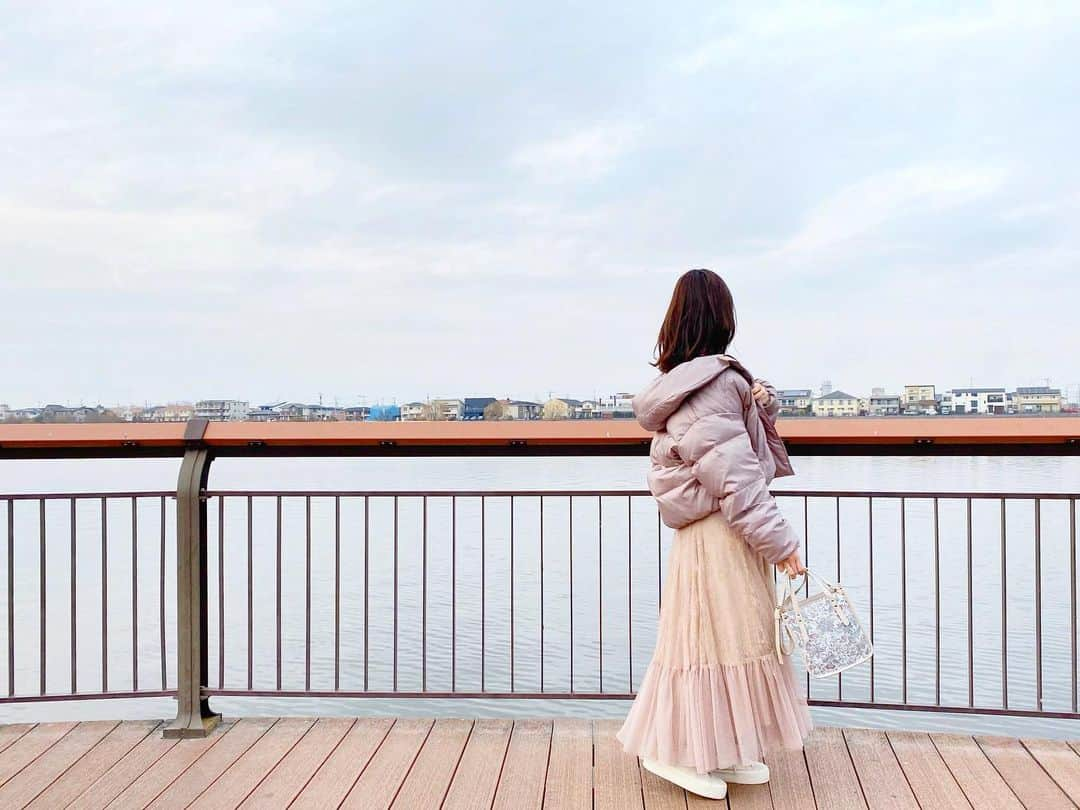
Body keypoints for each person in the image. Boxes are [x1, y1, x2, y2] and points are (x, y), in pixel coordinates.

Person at [615, 268, 813, 801]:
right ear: (722, 319)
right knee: (708, 639)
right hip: (720, 535)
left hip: (711, 534)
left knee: (722, 638)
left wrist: (758, 404)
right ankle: (669, 749)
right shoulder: (713, 385)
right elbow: (738, 478)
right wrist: (784, 545)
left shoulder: (692, 383)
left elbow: (732, 462)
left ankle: (717, 745)